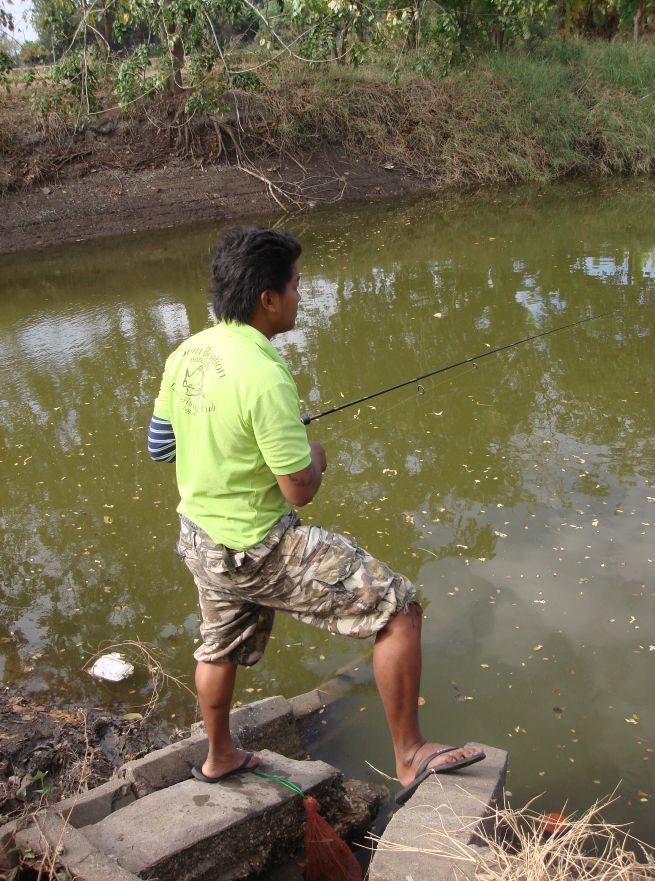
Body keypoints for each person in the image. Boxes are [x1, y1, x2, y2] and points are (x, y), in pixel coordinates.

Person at [148, 226, 485, 805]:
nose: (302, 295)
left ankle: (219, 754)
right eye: (297, 286)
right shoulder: (264, 373)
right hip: (260, 547)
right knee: (397, 609)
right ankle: (411, 756)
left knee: (217, 646)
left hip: (201, 540)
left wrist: (226, 444)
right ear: (267, 299)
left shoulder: (187, 353)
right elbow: (300, 489)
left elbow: (161, 445)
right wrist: (315, 456)